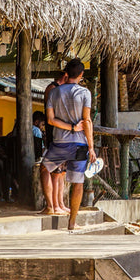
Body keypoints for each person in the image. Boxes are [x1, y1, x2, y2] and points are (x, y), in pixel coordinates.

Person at [42, 58, 97, 231]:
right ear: (81, 75)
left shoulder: (54, 92)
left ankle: (50, 206)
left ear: (66, 74)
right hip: (80, 144)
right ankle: (72, 223)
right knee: (78, 182)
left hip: (60, 143)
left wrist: (69, 128)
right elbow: (87, 120)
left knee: (44, 169)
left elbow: (50, 120)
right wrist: (91, 147)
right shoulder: (85, 93)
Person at [40, 70, 69, 215]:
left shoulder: (63, 90)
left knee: (59, 172)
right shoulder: (52, 89)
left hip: (63, 135)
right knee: (55, 171)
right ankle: (55, 205)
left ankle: (58, 204)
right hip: (56, 134)